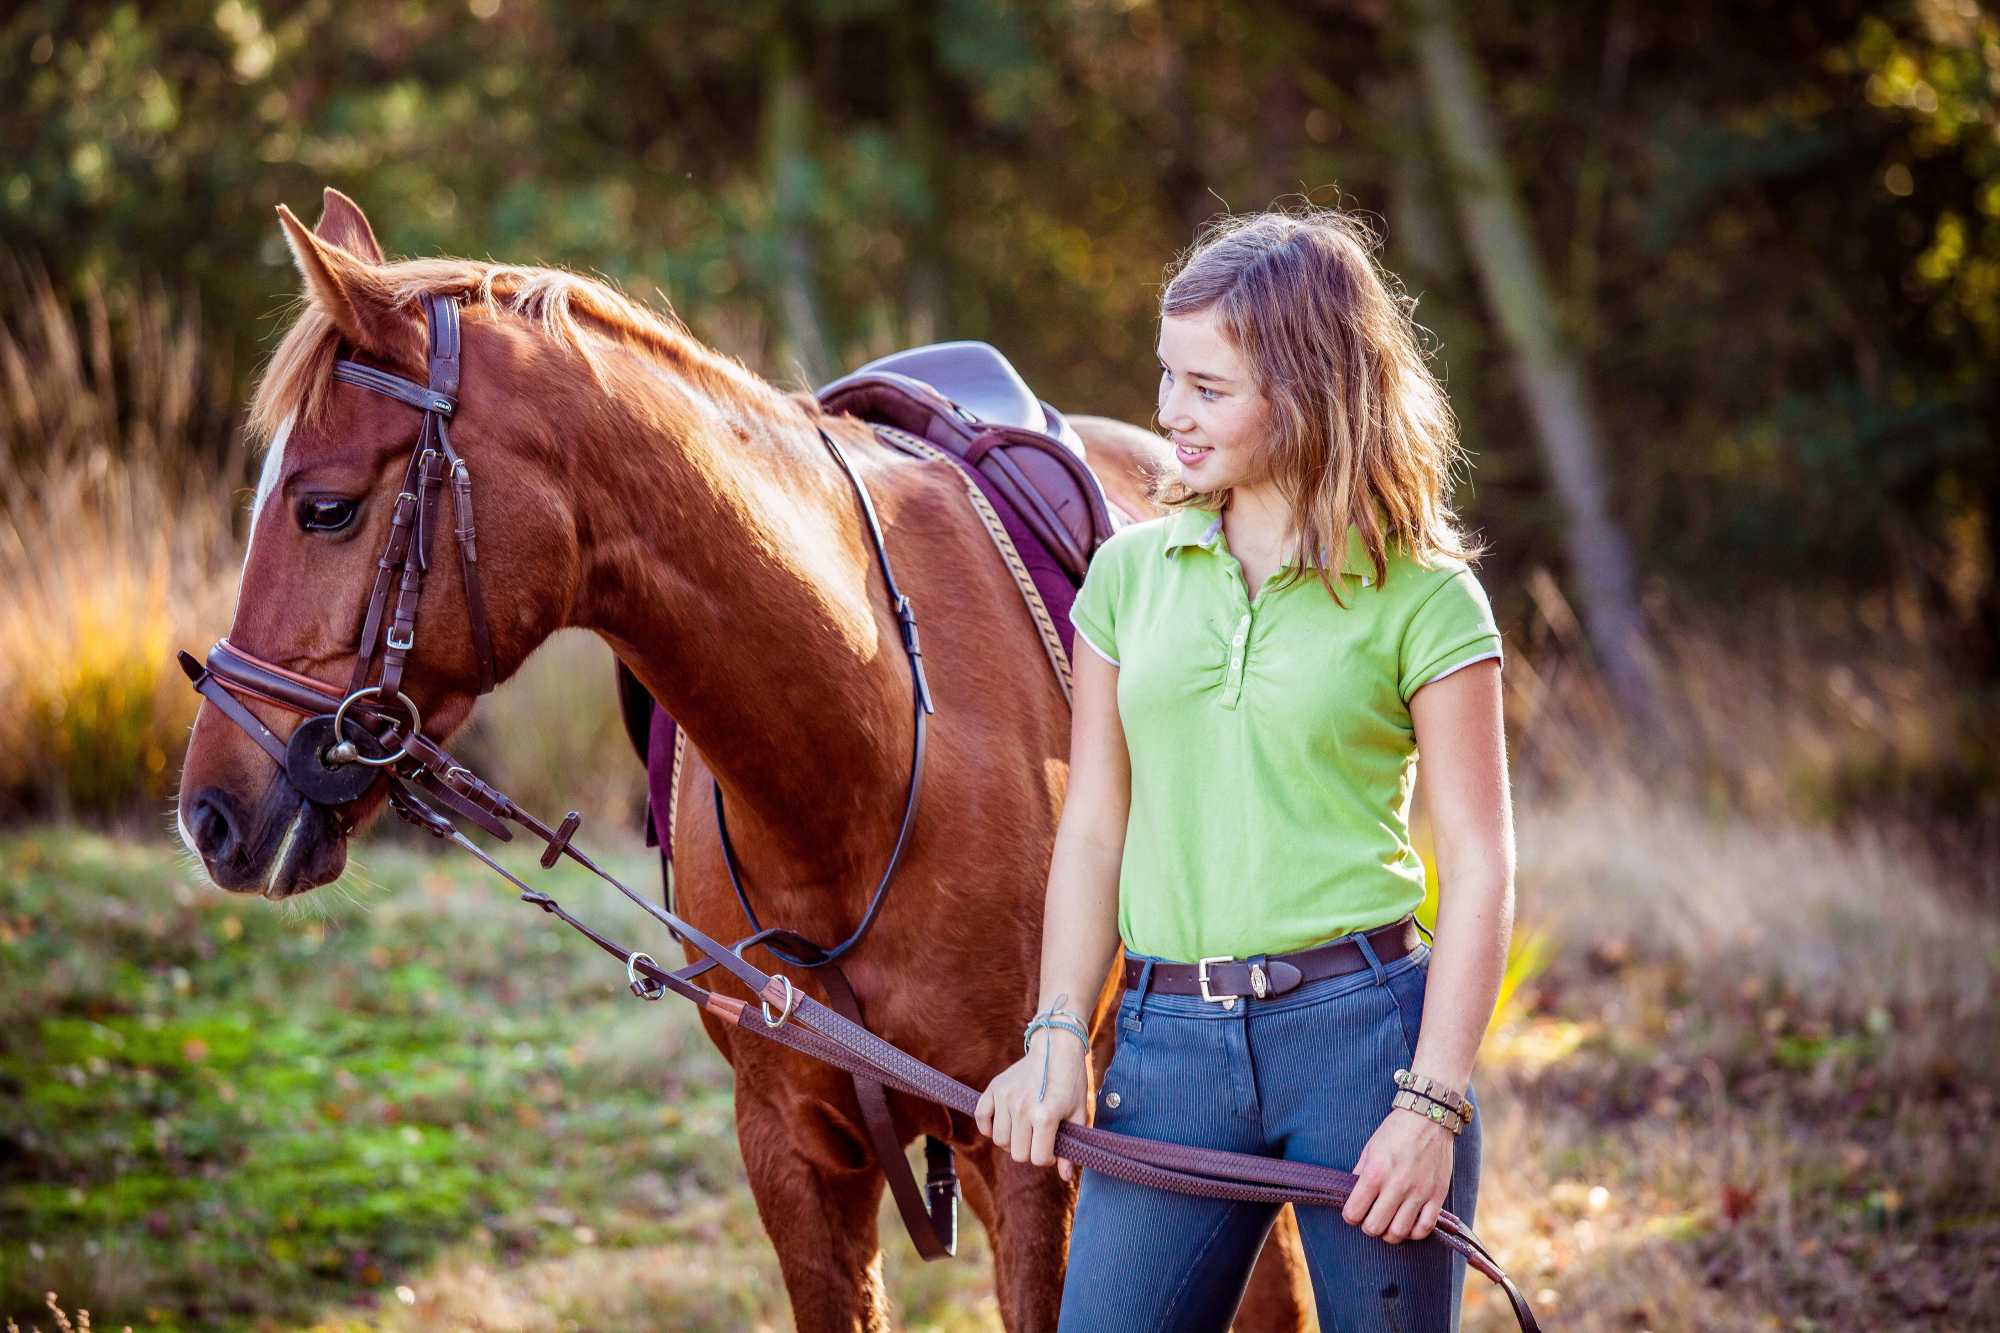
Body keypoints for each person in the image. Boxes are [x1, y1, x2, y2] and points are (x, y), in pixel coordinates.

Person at [973, 205, 1516, 1332]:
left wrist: (1432, 1100)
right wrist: (1058, 1030)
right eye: (1165, 376)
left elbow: (1478, 862)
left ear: (1311, 389)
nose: (1169, 413)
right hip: (1167, 1050)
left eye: (1208, 388)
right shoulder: (1126, 577)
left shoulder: (1423, 593)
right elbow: (1093, 828)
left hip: (1363, 1043)